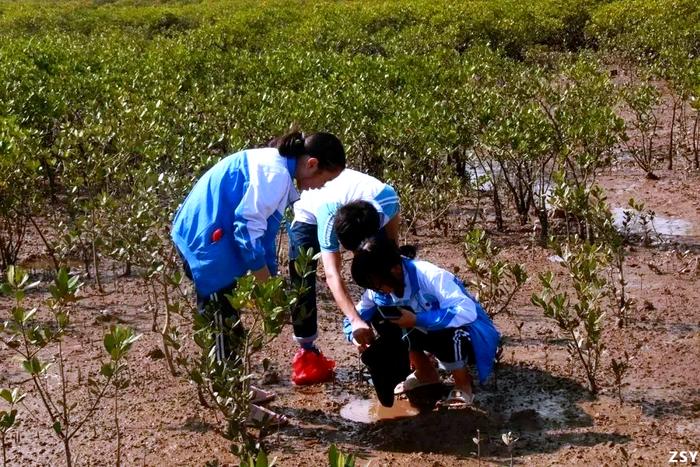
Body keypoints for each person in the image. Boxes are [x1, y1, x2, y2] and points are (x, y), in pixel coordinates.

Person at [171, 130, 346, 424]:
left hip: (217, 234)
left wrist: (272, 280)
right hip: (205, 242)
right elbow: (245, 231)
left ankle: (237, 389)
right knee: (224, 327)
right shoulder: (274, 174)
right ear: (312, 164)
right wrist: (266, 287)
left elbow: (263, 235)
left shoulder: (279, 172)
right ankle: (235, 404)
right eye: (325, 180)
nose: (320, 188)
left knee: (232, 325)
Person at [346, 236, 500, 407]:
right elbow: (353, 317)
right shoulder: (378, 291)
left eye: (377, 284)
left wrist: (418, 319)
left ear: (395, 270)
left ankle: (463, 384)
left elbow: (466, 312)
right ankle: (425, 373)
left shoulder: (429, 275)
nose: (376, 290)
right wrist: (356, 331)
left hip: (469, 333)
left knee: (447, 330)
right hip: (424, 330)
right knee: (383, 317)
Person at [288, 170, 400, 385]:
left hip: (363, 205)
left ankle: (400, 342)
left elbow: (393, 250)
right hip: (311, 213)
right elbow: (332, 274)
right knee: (302, 276)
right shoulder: (328, 218)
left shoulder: (388, 200)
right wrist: (355, 320)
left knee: (383, 264)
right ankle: (308, 353)